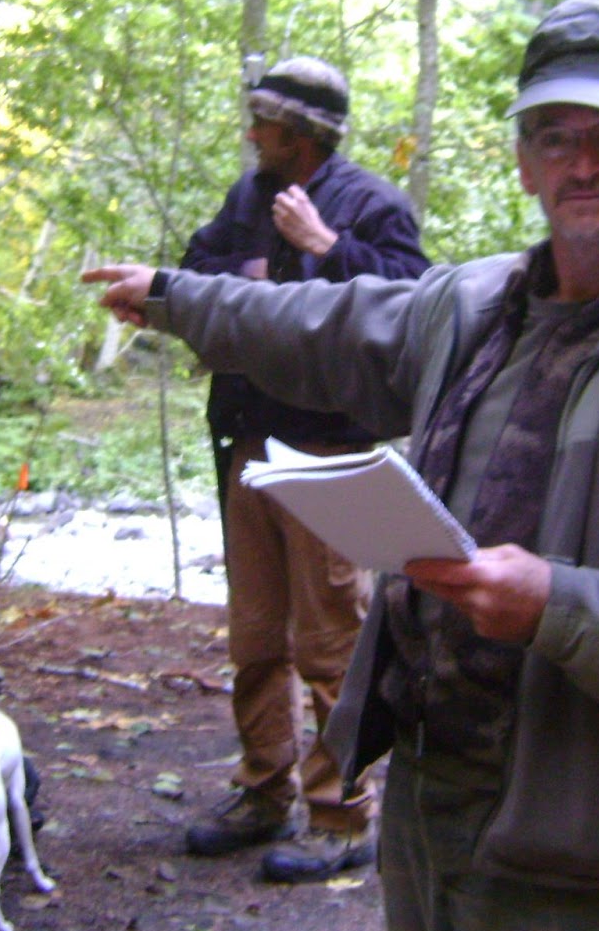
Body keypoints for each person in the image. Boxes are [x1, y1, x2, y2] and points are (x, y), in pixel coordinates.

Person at [84, 0, 599, 931]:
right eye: (554, 136)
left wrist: (560, 605)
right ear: (523, 162)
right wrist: (177, 297)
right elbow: (323, 326)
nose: (583, 161)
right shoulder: (473, 307)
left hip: (577, 839)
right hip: (427, 800)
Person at [174, 55, 430, 884]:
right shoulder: (248, 197)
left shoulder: (373, 204)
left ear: (303, 133)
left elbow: (414, 304)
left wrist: (325, 247)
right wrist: (248, 276)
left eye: (266, 122)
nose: (253, 134)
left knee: (331, 643)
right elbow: (195, 269)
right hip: (249, 438)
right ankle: (264, 791)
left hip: (331, 448)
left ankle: (342, 814)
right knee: (255, 636)